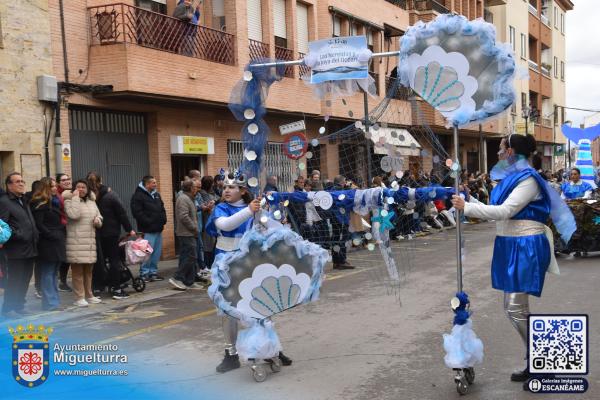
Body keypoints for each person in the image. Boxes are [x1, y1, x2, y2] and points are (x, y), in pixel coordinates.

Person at [451, 133, 574, 386]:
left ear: (511, 152)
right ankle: (538, 361)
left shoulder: (528, 178)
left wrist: (468, 207)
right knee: (517, 309)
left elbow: (506, 211)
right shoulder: (513, 177)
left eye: (500, 148)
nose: (498, 153)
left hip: (525, 245)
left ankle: (540, 361)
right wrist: (468, 199)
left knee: (515, 308)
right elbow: (502, 211)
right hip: (511, 244)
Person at [205, 172, 292, 373]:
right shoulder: (220, 209)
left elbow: (272, 229)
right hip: (226, 263)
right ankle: (231, 354)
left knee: (263, 304)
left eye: (232, 187)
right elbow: (225, 225)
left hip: (250, 261)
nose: (226, 190)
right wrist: (249, 210)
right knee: (228, 310)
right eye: (225, 187)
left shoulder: (254, 208)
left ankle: (271, 350)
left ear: (243, 191)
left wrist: (271, 220)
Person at [0, 173, 39, 317]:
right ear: (9, 185)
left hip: (30, 247)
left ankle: (19, 306)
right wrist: (19, 234)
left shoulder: (23, 200)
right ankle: (8, 309)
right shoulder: (4, 202)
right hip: (15, 249)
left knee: (25, 279)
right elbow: (2, 225)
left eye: (22, 181)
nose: (21, 184)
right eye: (17, 182)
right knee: (15, 280)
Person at [95, 175, 136, 299]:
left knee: (99, 261)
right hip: (111, 233)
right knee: (114, 260)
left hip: (97, 233)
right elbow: (121, 214)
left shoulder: (90, 197)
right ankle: (116, 288)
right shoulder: (110, 195)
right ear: (101, 180)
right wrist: (130, 229)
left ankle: (98, 287)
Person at [63, 180, 103, 307]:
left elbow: (99, 216)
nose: (81, 189)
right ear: (73, 189)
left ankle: (89, 295)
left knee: (89, 271)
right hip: (76, 242)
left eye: (83, 187)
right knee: (77, 272)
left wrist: (98, 220)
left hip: (89, 241)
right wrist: (75, 197)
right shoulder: (69, 201)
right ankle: (79, 297)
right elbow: (74, 215)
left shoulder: (92, 202)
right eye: (78, 187)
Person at [30, 177, 66, 311]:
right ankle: (50, 303)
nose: (55, 188)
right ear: (45, 188)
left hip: (57, 241)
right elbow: (39, 224)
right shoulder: (40, 203)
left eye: (55, 186)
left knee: (53, 272)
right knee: (48, 272)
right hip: (48, 243)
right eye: (52, 186)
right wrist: (52, 235)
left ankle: (54, 302)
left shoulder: (53, 202)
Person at [131, 175, 167, 282]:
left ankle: (153, 273)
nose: (156, 184)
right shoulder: (138, 196)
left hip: (158, 228)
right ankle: (144, 274)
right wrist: (148, 222)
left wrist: (163, 219)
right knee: (146, 252)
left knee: (156, 252)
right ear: (147, 184)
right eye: (153, 183)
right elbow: (137, 213)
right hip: (147, 230)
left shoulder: (156, 195)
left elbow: (162, 208)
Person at [169, 179, 203, 290]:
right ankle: (177, 277)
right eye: (195, 187)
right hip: (186, 233)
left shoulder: (189, 198)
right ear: (191, 188)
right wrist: (194, 228)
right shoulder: (183, 199)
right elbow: (184, 216)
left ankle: (189, 281)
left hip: (190, 233)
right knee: (190, 256)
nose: (197, 189)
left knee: (189, 257)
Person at [329, 175, 354, 270]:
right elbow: (346, 201)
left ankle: (336, 261)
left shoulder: (332, 190)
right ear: (341, 182)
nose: (345, 183)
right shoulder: (340, 191)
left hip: (336, 218)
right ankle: (341, 261)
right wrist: (348, 189)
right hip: (340, 218)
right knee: (342, 240)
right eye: (344, 181)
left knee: (336, 239)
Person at [56, 173, 72, 292]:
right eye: (63, 180)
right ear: (58, 183)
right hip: (60, 229)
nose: (67, 181)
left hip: (70, 228)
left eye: (68, 179)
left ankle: (63, 281)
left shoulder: (72, 193)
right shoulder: (57, 195)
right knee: (61, 257)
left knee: (67, 258)